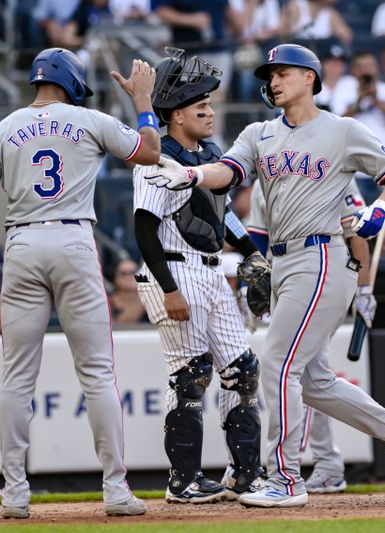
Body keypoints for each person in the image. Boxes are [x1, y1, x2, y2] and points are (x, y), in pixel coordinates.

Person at [143, 43, 385, 508]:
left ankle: (286, 477)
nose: (274, 80)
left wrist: (381, 208)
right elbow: (227, 170)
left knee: (278, 365)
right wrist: (193, 177)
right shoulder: (260, 133)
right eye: (271, 73)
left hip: (322, 256)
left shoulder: (341, 130)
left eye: (283, 72)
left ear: (309, 78)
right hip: (281, 262)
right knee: (313, 382)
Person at [0, 48, 160, 519]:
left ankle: (14, 493)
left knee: (17, 377)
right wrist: (143, 101)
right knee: (97, 373)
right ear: (72, 80)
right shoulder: (88, 118)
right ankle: (115, 490)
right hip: (74, 239)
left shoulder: (0, 130)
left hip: (21, 243)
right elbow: (150, 152)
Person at [132, 47, 267, 503]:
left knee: (243, 370)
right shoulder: (156, 157)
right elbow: (143, 228)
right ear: (173, 116)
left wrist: (252, 251)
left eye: (209, 104)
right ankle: (183, 481)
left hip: (210, 272)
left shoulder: (208, 153)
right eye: (200, 106)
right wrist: (168, 289)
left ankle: (244, 475)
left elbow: (218, 214)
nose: (210, 111)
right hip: (171, 267)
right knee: (191, 374)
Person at [247, 176, 377, 494]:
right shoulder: (264, 175)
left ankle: (293, 470)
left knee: (295, 370)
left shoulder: (332, 167)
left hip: (324, 274)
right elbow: (257, 238)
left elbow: (357, 234)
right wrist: (250, 284)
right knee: (310, 373)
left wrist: (365, 288)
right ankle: (329, 462)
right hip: (282, 277)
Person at [332, 51, 385, 157]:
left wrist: (376, 100)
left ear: (376, 68)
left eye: (369, 65)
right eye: (360, 66)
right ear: (353, 70)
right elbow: (337, 122)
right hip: (354, 159)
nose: (365, 70)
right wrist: (359, 100)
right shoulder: (343, 89)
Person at [285, 0, 353, 45]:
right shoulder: (297, 6)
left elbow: (346, 36)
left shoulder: (331, 13)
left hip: (321, 56)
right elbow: (284, 35)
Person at [108, 258, 146, 324]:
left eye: (133, 272)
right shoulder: (108, 302)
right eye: (123, 273)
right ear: (115, 277)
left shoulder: (149, 299)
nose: (129, 277)